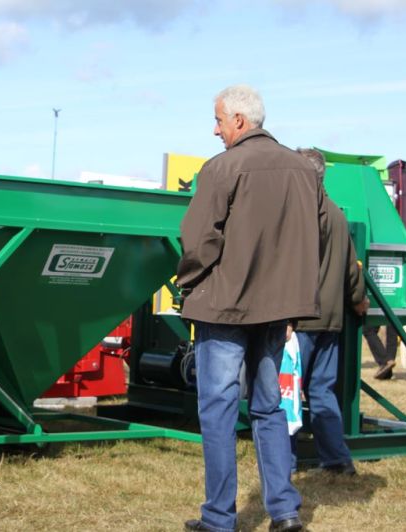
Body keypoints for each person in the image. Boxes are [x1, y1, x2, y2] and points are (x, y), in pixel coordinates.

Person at [177, 85, 324, 532]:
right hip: (277, 309)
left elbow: (199, 239)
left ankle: (220, 517)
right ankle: (284, 511)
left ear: (239, 121)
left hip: (224, 307)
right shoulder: (304, 170)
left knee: (218, 411)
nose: (215, 129)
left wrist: (186, 281)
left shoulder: (222, 167)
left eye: (219, 120)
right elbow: (309, 241)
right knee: (269, 407)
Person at [292, 149, 369, 476]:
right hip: (331, 319)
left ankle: (286, 462)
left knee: (288, 393)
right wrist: (358, 302)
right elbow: (352, 270)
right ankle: (337, 460)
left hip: (298, 319)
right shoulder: (337, 215)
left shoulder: (298, 214)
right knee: (322, 391)